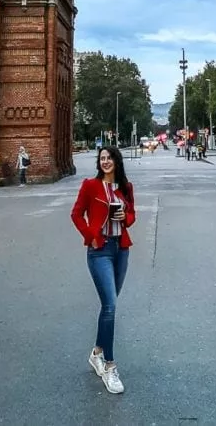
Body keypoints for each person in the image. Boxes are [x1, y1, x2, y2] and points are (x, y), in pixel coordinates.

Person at [71, 146, 136, 394]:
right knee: (110, 305)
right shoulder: (90, 186)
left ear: (117, 161)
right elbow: (76, 214)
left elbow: (131, 215)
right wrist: (91, 236)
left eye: (109, 158)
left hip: (121, 250)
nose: (105, 161)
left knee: (109, 304)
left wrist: (124, 217)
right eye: (102, 159)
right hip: (99, 251)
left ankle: (97, 353)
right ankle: (110, 365)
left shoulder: (125, 188)